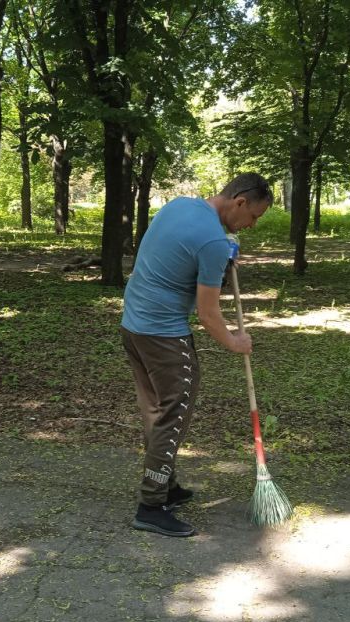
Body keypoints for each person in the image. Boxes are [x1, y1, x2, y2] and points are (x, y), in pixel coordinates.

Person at [121, 173, 273, 537]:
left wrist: (221, 259)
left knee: (156, 410)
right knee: (173, 413)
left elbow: (177, 259)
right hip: (163, 335)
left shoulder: (180, 206)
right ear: (239, 202)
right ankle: (151, 505)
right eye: (254, 216)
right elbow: (208, 316)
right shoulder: (213, 241)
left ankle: (166, 485)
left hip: (133, 326)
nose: (251, 225)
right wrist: (236, 342)